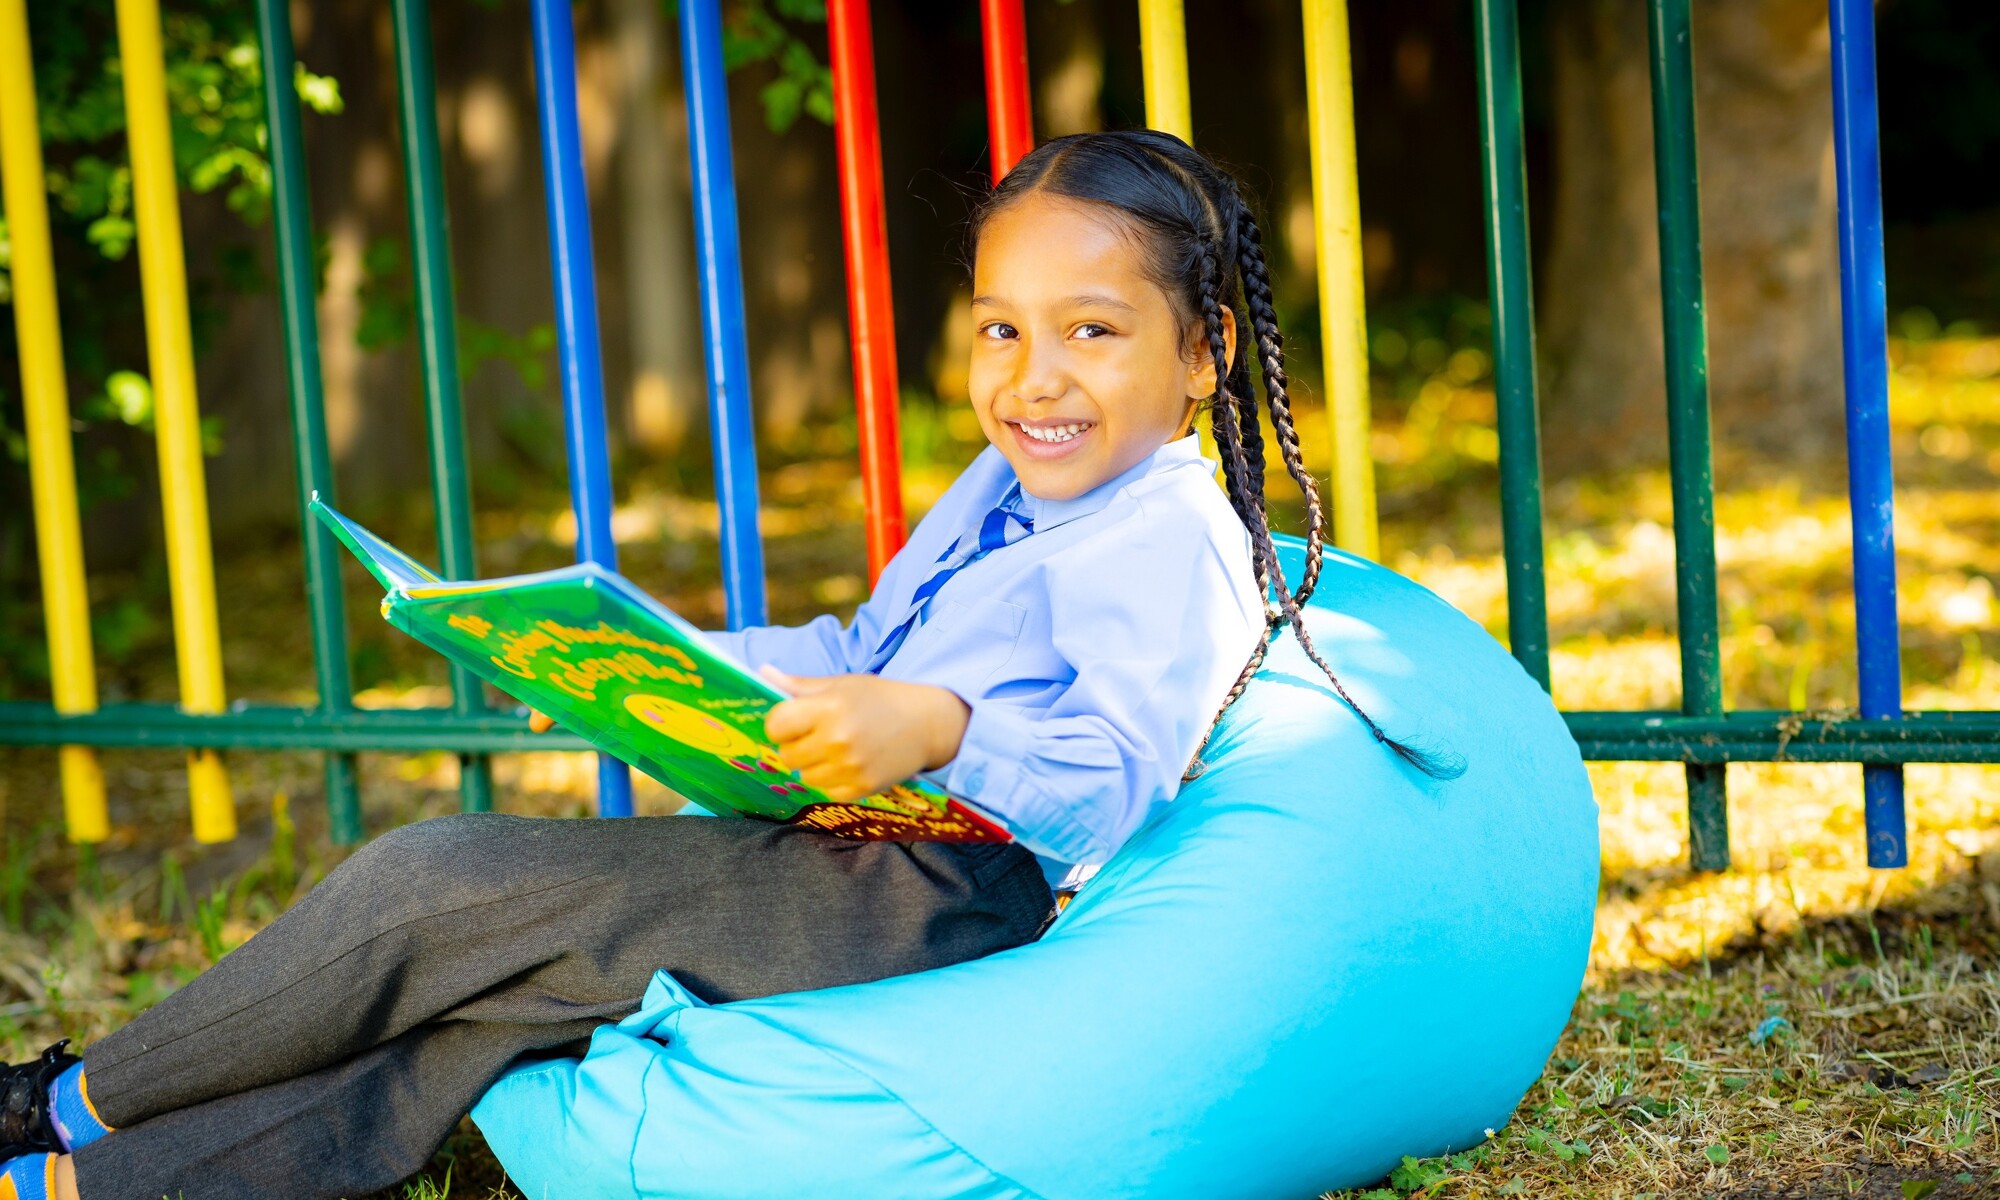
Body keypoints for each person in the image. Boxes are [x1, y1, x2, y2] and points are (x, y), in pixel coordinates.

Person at [0, 129, 1450, 1200]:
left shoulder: (1165, 535)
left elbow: (1106, 785)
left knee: (432, 883)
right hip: (849, 844)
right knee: (495, 1011)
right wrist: (622, 656)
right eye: (1002, 329)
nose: (1034, 376)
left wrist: (936, 727)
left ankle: (60, 1104)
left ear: (1202, 354)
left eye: (1094, 332)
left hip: (944, 892)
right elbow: (859, 652)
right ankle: (91, 1188)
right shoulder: (1010, 487)